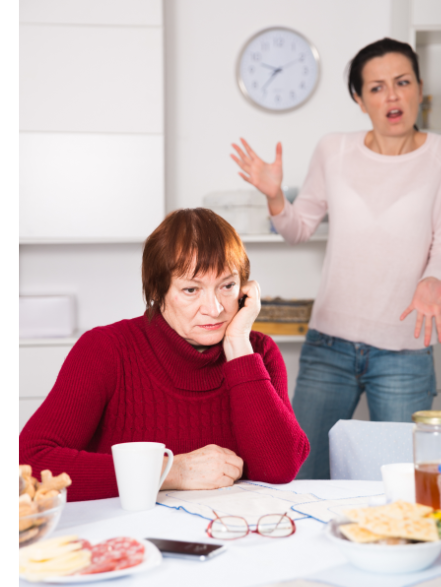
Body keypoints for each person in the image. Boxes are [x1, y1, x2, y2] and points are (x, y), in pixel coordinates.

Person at [230, 38, 441, 479]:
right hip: (330, 346)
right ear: (359, 100)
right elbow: (297, 230)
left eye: (402, 82)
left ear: (419, 87)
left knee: (400, 480)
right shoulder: (334, 150)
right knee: (299, 473)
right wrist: (275, 196)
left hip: (405, 350)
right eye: (376, 87)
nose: (392, 95)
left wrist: (433, 279)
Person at [19, 208, 310, 501]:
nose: (215, 308)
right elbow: (29, 464)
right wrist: (172, 471)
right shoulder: (105, 350)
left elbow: (279, 468)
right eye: (191, 290)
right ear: (158, 290)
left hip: (228, 533)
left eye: (227, 286)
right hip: (131, 535)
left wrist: (238, 347)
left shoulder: (257, 352)